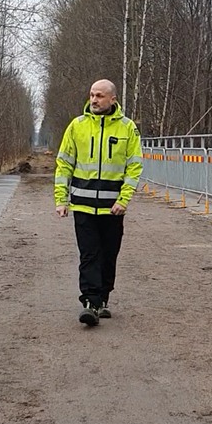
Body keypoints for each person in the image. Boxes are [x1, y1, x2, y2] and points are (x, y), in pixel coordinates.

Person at [54, 79, 143, 327]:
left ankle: (103, 297)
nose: (94, 100)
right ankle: (90, 303)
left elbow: (134, 167)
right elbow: (64, 164)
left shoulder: (127, 129)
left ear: (113, 99)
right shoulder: (77, 126)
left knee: (108, 254)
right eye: (92, 95)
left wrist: (124, 199)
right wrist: (61, 199)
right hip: (82, 205)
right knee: (89, 254)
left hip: (113, 208)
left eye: (100, 96)